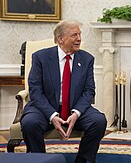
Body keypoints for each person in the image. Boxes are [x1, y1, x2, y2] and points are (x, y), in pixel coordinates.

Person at [20, 20, 107, 163]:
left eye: (79, 34)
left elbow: (89, 91)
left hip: (75, 107)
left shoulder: (86, 59)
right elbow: (35, 91)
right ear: (60, 39)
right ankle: (40, 160)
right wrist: (52, 115)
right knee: (30, 123)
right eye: (74, 35)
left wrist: (76, 113)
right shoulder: (40, 57)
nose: (79, 39)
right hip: (44, 107)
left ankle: (83, 160)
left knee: (98, 121)